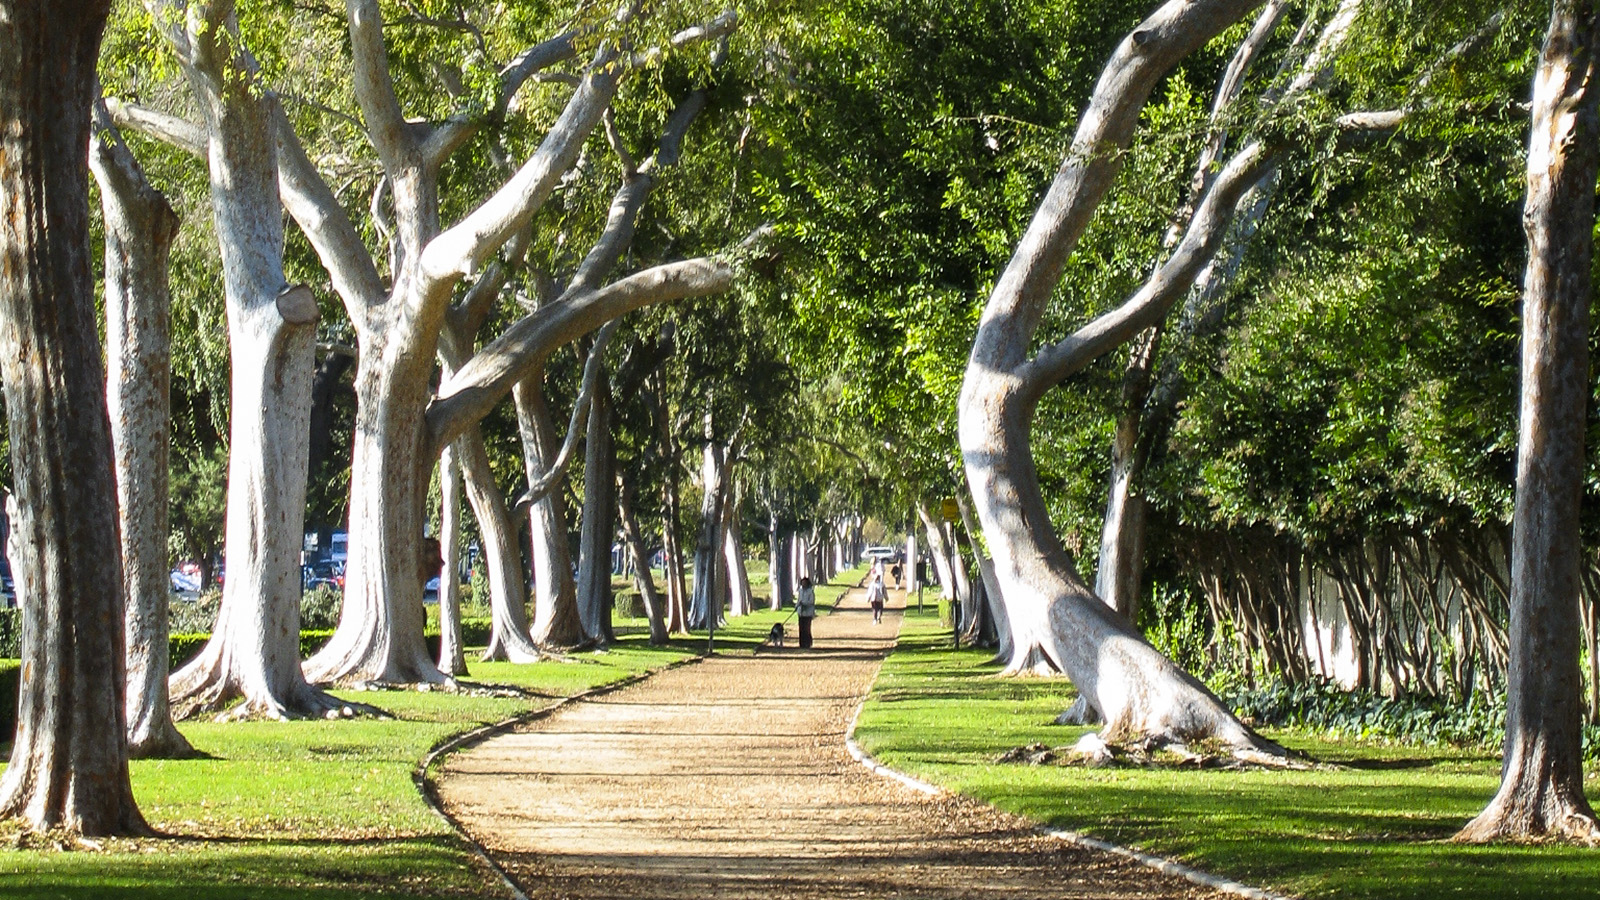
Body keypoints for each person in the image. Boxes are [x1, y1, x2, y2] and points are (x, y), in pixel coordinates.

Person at [796, 576, 816, 648]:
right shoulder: (800, 591)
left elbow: (811, 601)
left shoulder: (810, 591)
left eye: (805, 583)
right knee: (801, 628)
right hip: (801, 612)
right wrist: (797, 606)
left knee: (807, 628)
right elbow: (799, 600)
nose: (803, 584)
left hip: (808, 613)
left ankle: (808, 643)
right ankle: (801, 643)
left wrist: (804, 603)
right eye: (802, 583)